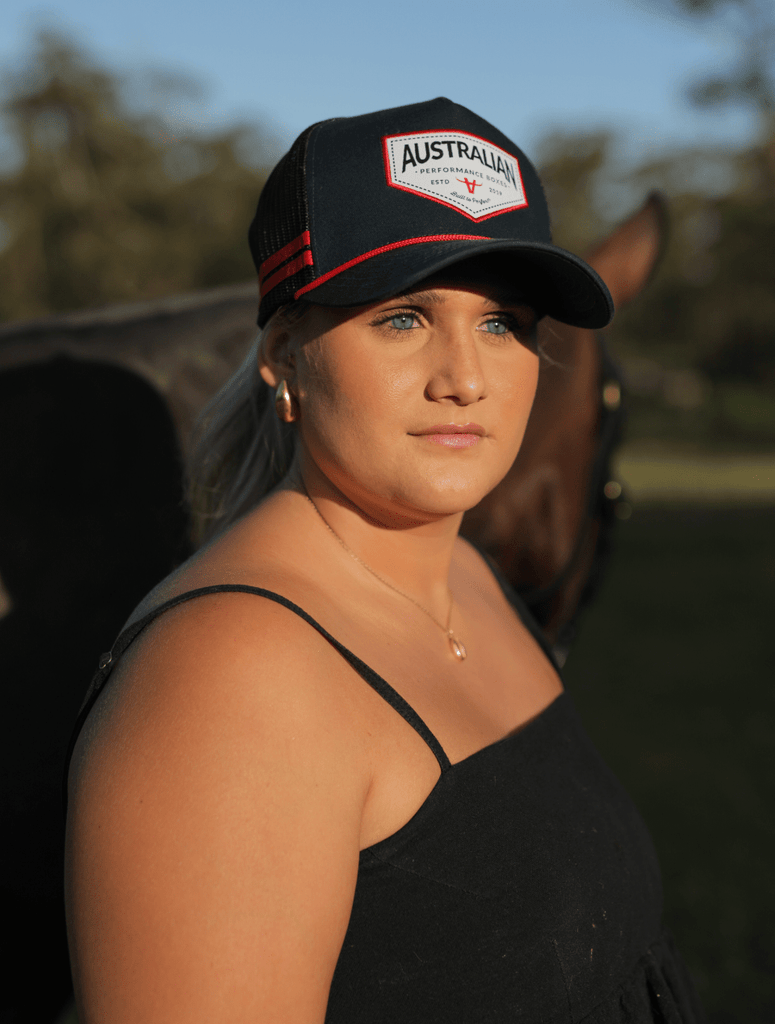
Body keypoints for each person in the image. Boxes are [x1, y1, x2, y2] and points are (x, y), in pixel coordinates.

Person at [63, 97, 706, 1023]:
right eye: (403, 317)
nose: (467, 377)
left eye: (503, 323)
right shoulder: (232, 686)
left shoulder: (466, 577)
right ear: (285, 355)